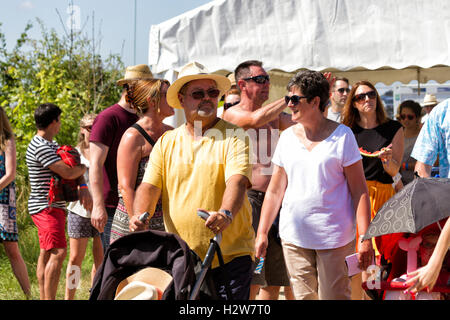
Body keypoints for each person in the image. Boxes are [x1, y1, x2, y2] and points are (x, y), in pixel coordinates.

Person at [130, 61, 255, 300]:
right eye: (198, 94)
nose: (207, 99)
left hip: (229, 257)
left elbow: (237, 181)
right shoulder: (167, 142)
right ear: (182, 98)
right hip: (183, 258)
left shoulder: (234, 135)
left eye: (212, 93)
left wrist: (226, 213)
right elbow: (149, 186)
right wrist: (139, 216)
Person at [254, 70, 374, 300]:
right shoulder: (287, 137)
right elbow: (275, 191)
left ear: (316, 101)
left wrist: (365, 238)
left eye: (294, 99)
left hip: (335, 239)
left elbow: (359, 191)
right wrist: (262, 232)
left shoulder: (343, 136)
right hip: (293, 238)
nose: (289, 105)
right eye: (288, 99)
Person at [222, 60, 294, 300]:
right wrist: (290, 97)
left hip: (276, 202)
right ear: (242, 84)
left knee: (275, 280)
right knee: (254, 278)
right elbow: (254, 120)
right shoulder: (232, 113)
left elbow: (302, 123)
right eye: (260, 80)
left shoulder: (273, 115)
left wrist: (315, 96)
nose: (267, 84)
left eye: (267, 80)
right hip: (249, 201)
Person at [342, 80, 404, 299]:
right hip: (355, 199)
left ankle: (372, 296)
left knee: (376, 264)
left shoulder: (393, 128)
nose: (367, 99)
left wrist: (389, 164)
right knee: (354, 262)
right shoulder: (347, 131)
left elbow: (395, 171)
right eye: (360, 97)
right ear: (353, 103)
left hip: (383, 198)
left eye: (370, 94)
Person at [26, 103, 88, 300]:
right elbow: (68, 171)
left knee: (48, 252)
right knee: (61, 253)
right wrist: (83, 169)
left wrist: (82, 181)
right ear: (54, 121)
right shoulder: (39, 145)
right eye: (88, 127)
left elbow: (71, 170)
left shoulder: (53, 145)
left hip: (58, 207)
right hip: (47, 206)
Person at [89, 64, 152, 251]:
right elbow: (95, 165)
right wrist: (98, 205)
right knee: (116, 260)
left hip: (136, 203)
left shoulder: (142, 118)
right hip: (111, 204)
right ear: (130, 89)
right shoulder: (108, 118)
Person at [109, 78, 174, 243]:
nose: (173, 98)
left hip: (166, 223)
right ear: (152, 101)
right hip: (135, 223)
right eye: (168, 95)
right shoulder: (133, 137)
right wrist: (136, 221)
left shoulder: (172, 133)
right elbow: (125, 186)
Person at [65, 114, 103, 300]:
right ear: (81, 129)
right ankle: (69, 297)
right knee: (75, 260)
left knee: (100, 260)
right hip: (78, 211)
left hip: (101, 210)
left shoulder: (103, 149)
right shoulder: (74, 153)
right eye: (88, 127)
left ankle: (94, 296)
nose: (92, 130)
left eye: (95, 126)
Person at [0, 106, 31, 299]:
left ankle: (28, 294)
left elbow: (10, 174)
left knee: (12, 248)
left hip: (3, 201)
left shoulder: (7, 140)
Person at [405, 218, 450, 294]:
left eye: (437, 246)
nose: (433, 249)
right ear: (418, 250)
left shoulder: (447, 278)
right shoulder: (405, 278)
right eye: (428, 244)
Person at [412, 98, 450, 178]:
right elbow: (422, 165)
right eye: (427, 106)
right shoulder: (441, 112)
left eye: (431, 106)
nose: (429, 108)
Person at [397, 100, 422, 185]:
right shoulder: (397, 135)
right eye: (403, 116)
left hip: (417, 184)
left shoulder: (422, 136)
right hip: (398, 184)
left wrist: (404, 166)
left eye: (410, 117)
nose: (406, 120)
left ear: (418, 118)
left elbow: (430, 162)